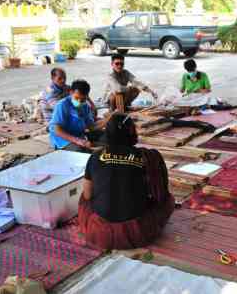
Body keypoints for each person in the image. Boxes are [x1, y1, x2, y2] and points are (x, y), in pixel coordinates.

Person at [78, 113, 175, 250]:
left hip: (99, 233)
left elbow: (88, 196)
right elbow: (161, 195)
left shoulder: (95, 156)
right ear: (132, 132)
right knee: (169, 201)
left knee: (83, 198)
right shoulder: (149, 157)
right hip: (138, 232)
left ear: (108, 133)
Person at [49, 79, 107, 152]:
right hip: (63, 139)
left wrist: (106, 121)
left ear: (87, 96)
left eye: (83, 99)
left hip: (78, 134)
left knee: (106, 137)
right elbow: (57, 130)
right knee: (80, 151)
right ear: (71, 93)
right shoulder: (62, 105)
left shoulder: (85, 106)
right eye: (76, 98)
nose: (79, 102)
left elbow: (91, 126)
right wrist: (78, 141)